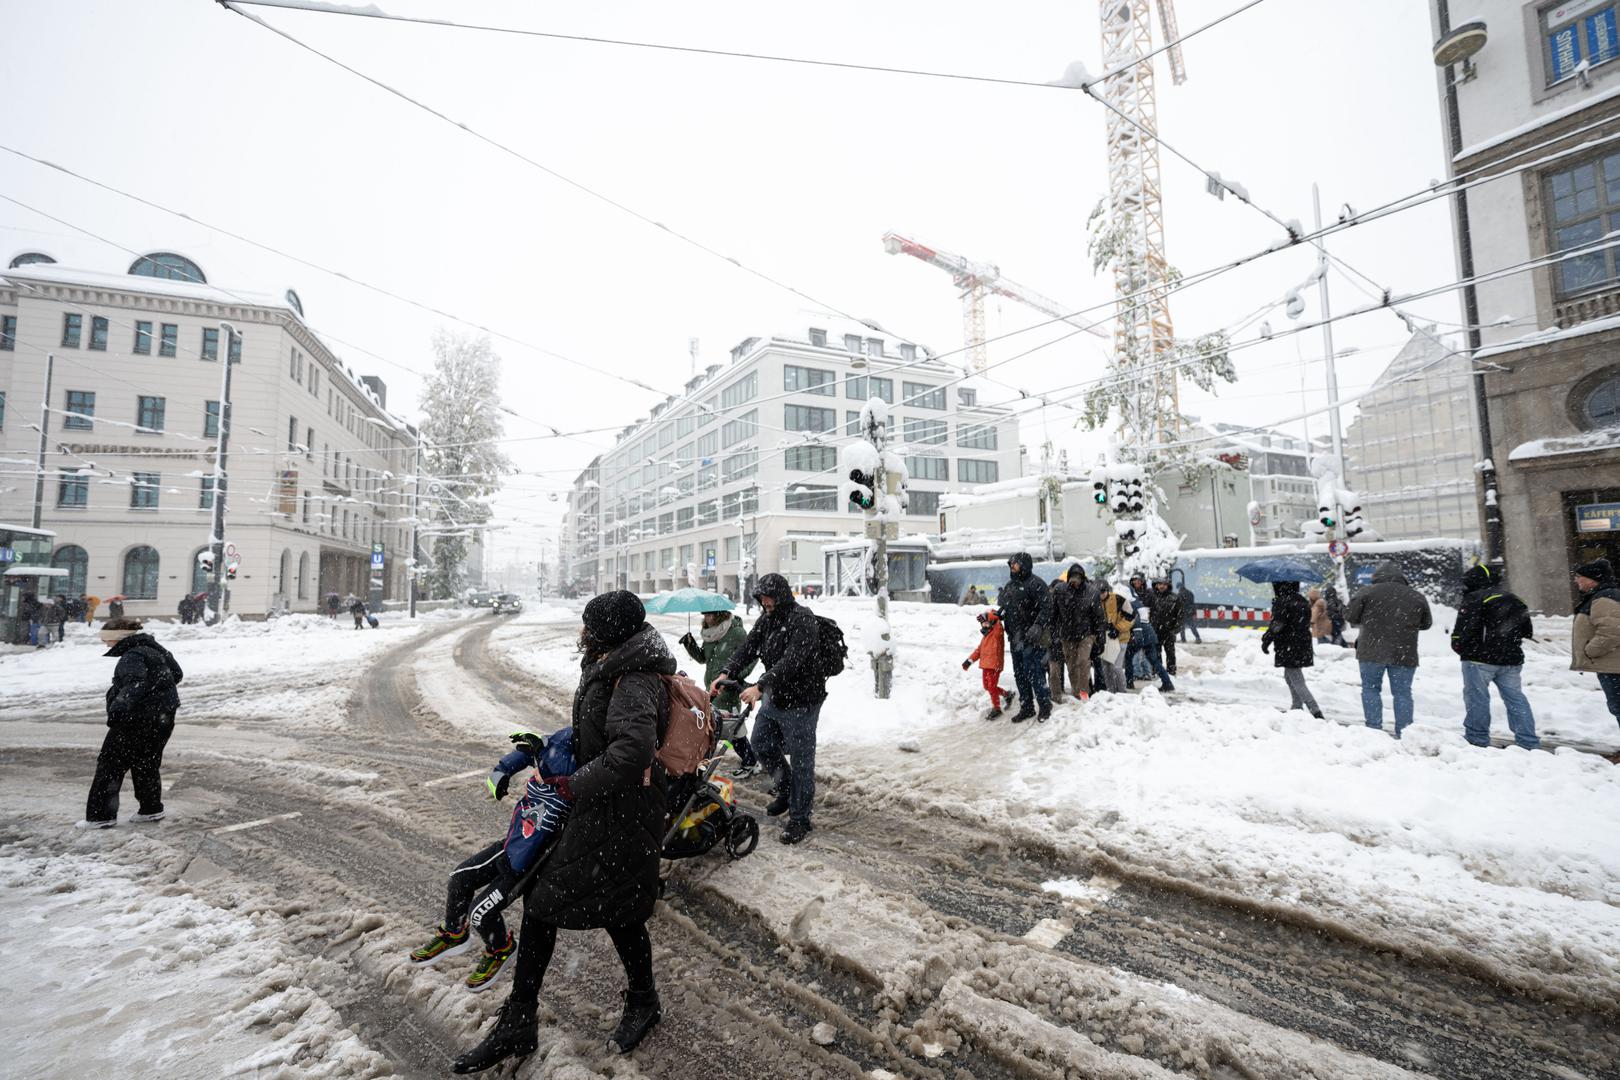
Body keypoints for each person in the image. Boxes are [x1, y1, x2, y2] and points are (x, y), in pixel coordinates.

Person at [453, 591, 672, 1072]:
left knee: (593, 907)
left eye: (588, 625)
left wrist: (573, 786)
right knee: (573, 906)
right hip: (604, 808)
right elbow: (595, 732)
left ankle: (637, 1001)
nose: (582, 631)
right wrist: (549, 747)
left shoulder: (632, 677)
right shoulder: (609, 663)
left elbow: (631, 752)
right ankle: (523, 1019)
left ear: (608, 631)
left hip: (622, 814)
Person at [410, 727, 576, 992]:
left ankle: (501, 949)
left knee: (479, 913)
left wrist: (547, 762)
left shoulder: (583, 771)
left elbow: (599, 774)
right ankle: (454, 933)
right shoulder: (567, 738)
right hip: (511, 846)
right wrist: (503, 770)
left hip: (525, 865)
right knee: (459, 879)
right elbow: (535, 745)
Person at [714, 573, 828, 843]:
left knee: (802, 761)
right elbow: (748, 647)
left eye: (767, 597)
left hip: (802, 700)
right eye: (761, 597)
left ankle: (800, 819)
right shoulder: (768, 619)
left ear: (781, 595)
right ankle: (786, 790)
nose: (763, 602)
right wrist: (726, 671)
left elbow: (793, 661)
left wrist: (760, 686)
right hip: (775, 696)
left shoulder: (802, 619)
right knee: (761, 743)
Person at [79, 618, 183, 827]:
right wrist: (157, 695)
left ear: (118, 638)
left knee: (111, 765)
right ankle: (150, 809)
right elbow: (176, 674)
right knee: (146, 763)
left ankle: (101, 817)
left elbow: (135, 683)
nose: (105, 644)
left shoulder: (132, 655)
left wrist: (119, 707)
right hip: (162, 717)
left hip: (136, 719)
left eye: (107, 640)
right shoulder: (154, 649)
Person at [1452, 564, 1537, 750]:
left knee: (1477, 698)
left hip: (1479, 659)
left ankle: (1477, 738)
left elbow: (1463, 630)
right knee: (1515, 698)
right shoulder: (1515, 599)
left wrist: (1460, 646)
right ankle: (1528, 741)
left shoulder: (1474, 598)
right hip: (1511, 659)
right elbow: (1527, 631)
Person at [1345, 562, 1432, 738]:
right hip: (1404, 652)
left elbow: (1350, 616)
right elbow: (1426, 623)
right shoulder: (1416, 596)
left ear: (1376, 577)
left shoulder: (1366, 592)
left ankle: (1373, 730)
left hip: (1371, 650)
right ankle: (1405, 732)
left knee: (1370, 689)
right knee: (1403, 693)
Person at [679, 609, 761, 776]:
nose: (706, 619)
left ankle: (751, 761)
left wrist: (734, 678)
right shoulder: (710, 635)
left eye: (710, 615)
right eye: (704, 616)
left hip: (729, 689)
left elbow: (751, 657)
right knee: (717, 726)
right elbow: (703, 658)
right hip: (712, 689)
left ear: (720, 615)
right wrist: (690, 644)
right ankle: (747, 759)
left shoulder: (736, 633)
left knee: (732, 728)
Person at [996, 552, 1052, 722]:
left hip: (1032, 639)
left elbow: (1047, 608)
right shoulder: (1010, 586)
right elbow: (1004, 608)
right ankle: (1027, 707)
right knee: (1019, 675)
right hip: (1015, 639)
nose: (1012, 566)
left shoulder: (1036, 584)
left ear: (1024, 565)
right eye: (1011, 563)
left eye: (1015, 563)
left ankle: (1044, 706)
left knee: (1035, 673)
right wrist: (994, 617)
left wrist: (1038, 625)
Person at [1571, 559, 1620, 741]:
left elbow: (1611, 632)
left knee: (1618, 707)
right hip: (1612, 665)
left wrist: (1589, 651)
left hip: (1613, 666)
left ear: (1592, 580)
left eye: (1579, 577)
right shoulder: (1603, 596)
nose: (1577, 581)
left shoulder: (1604, 599)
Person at [1260, 581, 1323, 719]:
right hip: (1302, 643)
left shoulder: (1282, 602)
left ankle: (1316, 711)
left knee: (1296, 679)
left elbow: (1277, 625)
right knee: (1289, 676)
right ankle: (1297, 707)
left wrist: (1266, 639)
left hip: (1289, 644)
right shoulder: (1302, 601)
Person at [1048, 564, 1103, 703]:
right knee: (1071, 665)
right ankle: (1076, 691)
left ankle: (1084, 692)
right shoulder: (1060, 590)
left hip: (1085, 634)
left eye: (1077, 578)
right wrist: (1053, 633)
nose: (1075, 581)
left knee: (1083, 662)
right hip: (1066, 635)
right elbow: (1053, 614)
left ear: (1082, 578)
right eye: (1072, 578)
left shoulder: (1092, 592)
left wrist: (1101, 636)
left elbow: (1099, 616)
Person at [1124, 587, 1174, 693]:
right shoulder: (1138, 603)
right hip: (1149, 635)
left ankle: (1129, 682)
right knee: (1154, 661)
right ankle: (1168, 683)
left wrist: (1137, 636)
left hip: (1139, 635)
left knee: (1128, 658)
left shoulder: (1129, 604)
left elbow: (1135, 620)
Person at [962, 609, 1009, 718]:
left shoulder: (997, 632)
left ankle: (997, 708)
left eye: (987, 622)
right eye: (983, 623)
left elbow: (995, 619)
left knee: (992, 687)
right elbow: (978, 651)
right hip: (986, 666)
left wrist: (990, 616)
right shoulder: (985, 637)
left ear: (992, 622)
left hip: (995, 665)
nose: (985, 624)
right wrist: (969, 661)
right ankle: (1007, 695)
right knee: (987, 687)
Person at [1093, 578, 1134, 694]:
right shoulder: (1094, 602)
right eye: (1098, 593)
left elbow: (1130, 617)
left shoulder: (1119, 599)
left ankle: (1122, 692)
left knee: (1116, 667)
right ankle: (1111, 691)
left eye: (1103, 592)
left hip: (1121, 639)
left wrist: (1117, 629)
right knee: (1106, 667)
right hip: (1105, 640)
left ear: (1107, 590)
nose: (1101, 595)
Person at [1149, 578, 1183, 676]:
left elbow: (1180, 616)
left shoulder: (1175, 598)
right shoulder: (1152, 597)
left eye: (1164, 584)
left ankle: (1171, 672)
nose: (1161, 586)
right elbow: (1148, 613)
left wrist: (1175, 629)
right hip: (1155, 631)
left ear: (1168, 585)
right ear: (1156, 585)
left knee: (1170, 653)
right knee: (1156, 653)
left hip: (1169, 631)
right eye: (1159, 584)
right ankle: (1157, 672)